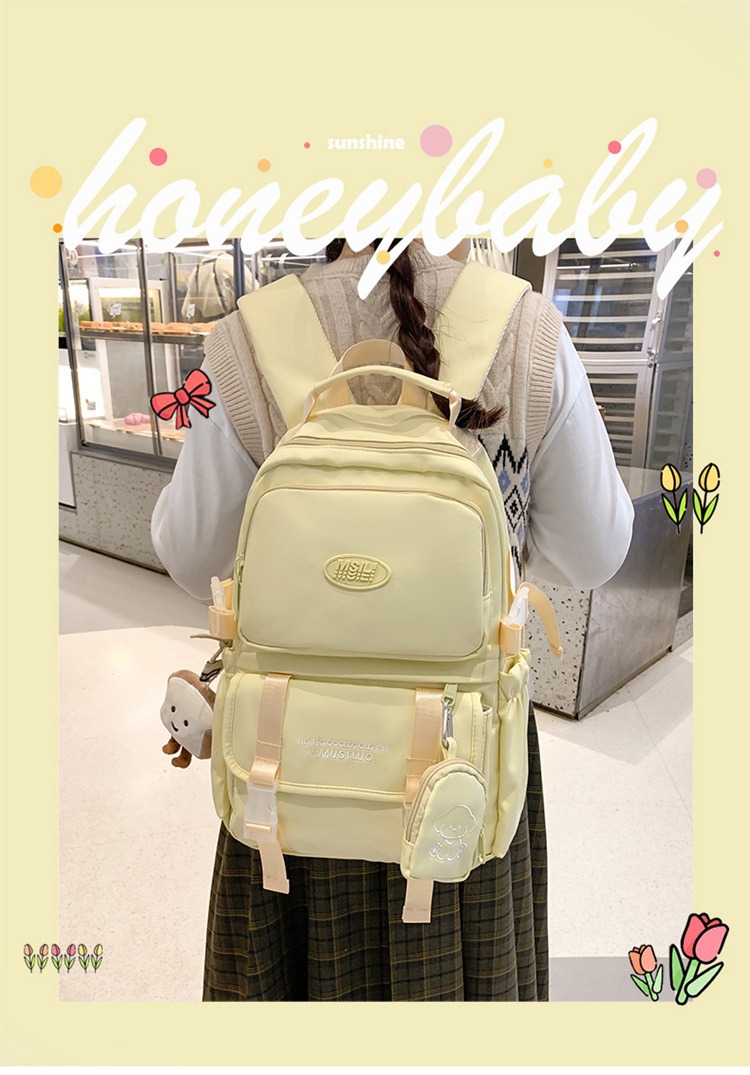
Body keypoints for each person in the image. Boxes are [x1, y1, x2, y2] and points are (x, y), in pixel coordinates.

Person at [151, 237, 634, 1002]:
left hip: (285, 753)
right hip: (460, 758)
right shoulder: (528, 326)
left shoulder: (246, 335)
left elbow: (189, 554)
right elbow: (594, 551)